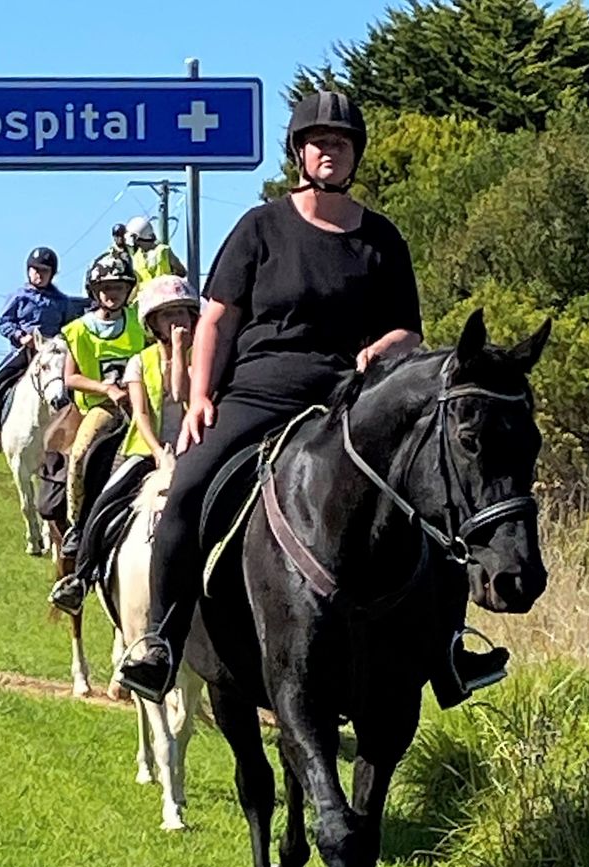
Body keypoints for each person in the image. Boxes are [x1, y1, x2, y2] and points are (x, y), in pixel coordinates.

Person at [118, 90, 440, 703]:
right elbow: (216, 319)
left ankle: (446, 647)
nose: (329, 151)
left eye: (340, 143)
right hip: (260, 391)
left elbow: (409, 330)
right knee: (188, 488)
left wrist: (383, 349)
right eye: (318, 141)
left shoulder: (382, 241)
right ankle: (160, 639)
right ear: (299, 152)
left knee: (430, 494)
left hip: (348, 399)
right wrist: (202, 397)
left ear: (354, 156)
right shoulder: (260, 227)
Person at [49, 274, 199, 614]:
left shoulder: (204, 358)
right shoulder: (139, 362)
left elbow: (183, 394)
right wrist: (159, 452)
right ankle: (82, 574)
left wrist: (179, 353)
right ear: (153, 323)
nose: (177, 321)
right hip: (146, 451)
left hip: (196, 449)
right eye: (167, 314)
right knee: (107, 501)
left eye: (183, 313)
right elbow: (142, 416)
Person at [59, 251, 147, 556]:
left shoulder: (140, 321)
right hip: (103, 407)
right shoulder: (79, 330)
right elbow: (70, 378)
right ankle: (77, 524)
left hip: (144, 403)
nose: (112, 294)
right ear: (95, 292)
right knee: (81, 454)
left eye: (119, 287)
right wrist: (106, 389)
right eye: (106, 288)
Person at [0, 246, 69, 452]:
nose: (38, 274)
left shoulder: (61, 301)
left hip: (52, 353)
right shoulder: (19, 296)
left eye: (44, 271)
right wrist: (20, 336)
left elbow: (68, 326)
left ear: (52, 274)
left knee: (70, 382)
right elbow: (3, 322)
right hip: (23, 352)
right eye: (34, 269)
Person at [124, 216, 186, 290]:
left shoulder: (163, 251)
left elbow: (181, 272)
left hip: (163, 296)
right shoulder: (137, 257)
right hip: (146, 298)